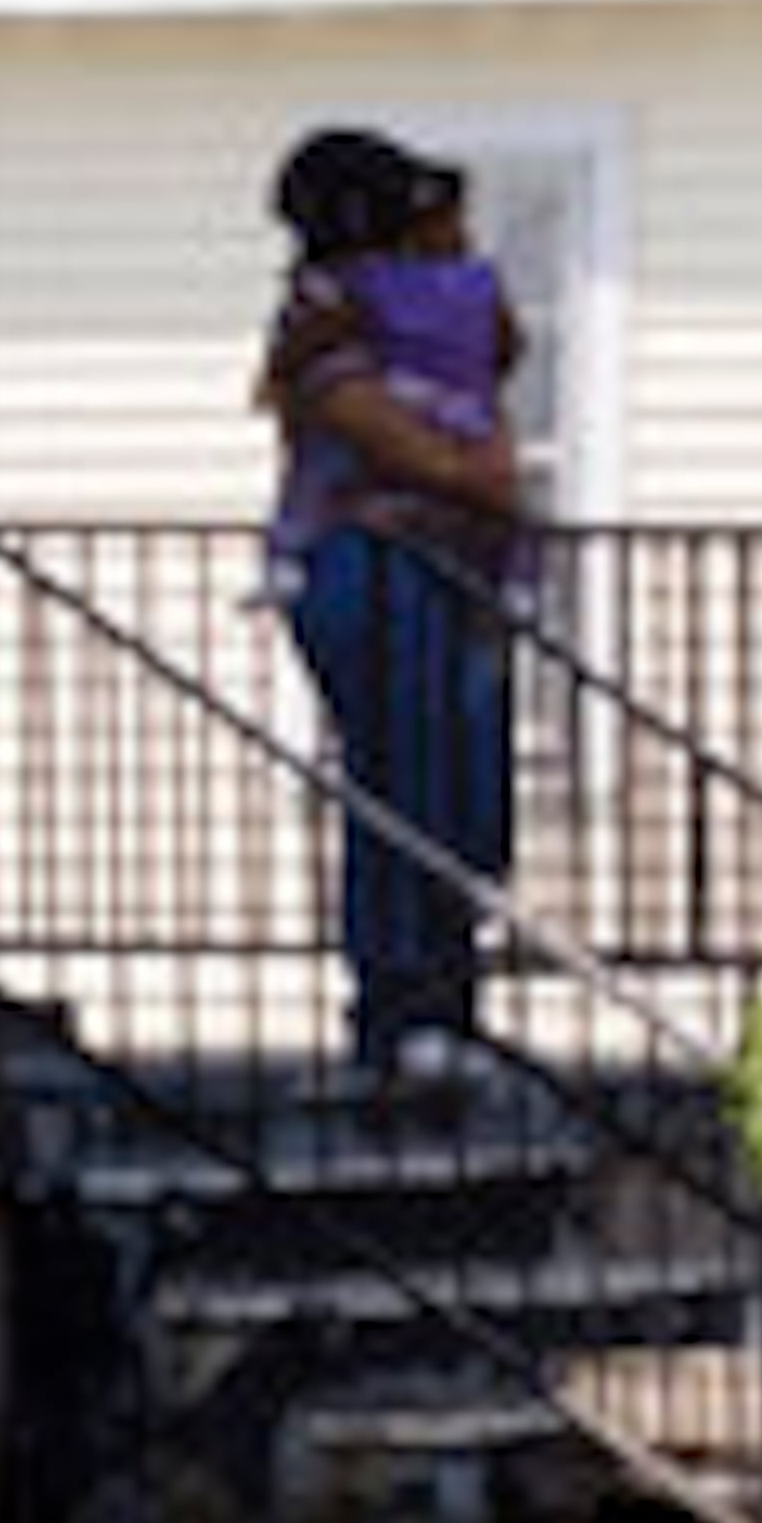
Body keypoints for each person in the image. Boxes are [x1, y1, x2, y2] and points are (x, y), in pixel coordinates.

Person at [258, 126, 527, 1077]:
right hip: (362, 562)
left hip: (462, 568)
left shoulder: (447, 304)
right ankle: (395, 1009)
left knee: (468, 786)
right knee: (399, 782)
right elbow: (384, 432)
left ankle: (453, 1002)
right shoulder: (323, 315)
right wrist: (482, 476)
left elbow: (499, 353)